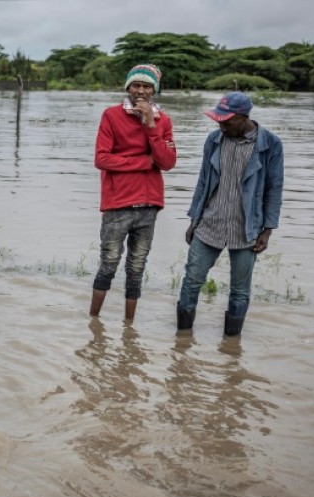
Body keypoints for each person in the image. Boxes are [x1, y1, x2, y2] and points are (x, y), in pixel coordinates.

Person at [176, 92, 283, 336]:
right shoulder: (214, 140)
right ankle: (182, 340)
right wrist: (194, 220)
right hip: (210, 223)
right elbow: (203, 182)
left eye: (227, 121)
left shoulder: (270, 145)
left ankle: (231, 344)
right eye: (219, 120)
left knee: (239, 290)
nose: (221, 126)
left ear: (244, 118)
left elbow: (274, 189)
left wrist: (267, 230)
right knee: (192, 280)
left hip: (246, 228)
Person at [89, 64, 177, 321]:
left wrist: (150, 125)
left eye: (147, 86)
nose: (141, 91)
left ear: (154, 90)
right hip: (118, 203)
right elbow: (102, 159)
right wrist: (145, 162)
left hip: (149, 205)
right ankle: (93, 322)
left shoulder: (163, 120)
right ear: (128, 87)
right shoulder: (111, 115)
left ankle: (129, 327)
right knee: (109, 264)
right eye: (136, 85)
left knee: (137, 268)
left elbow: (167, 162)